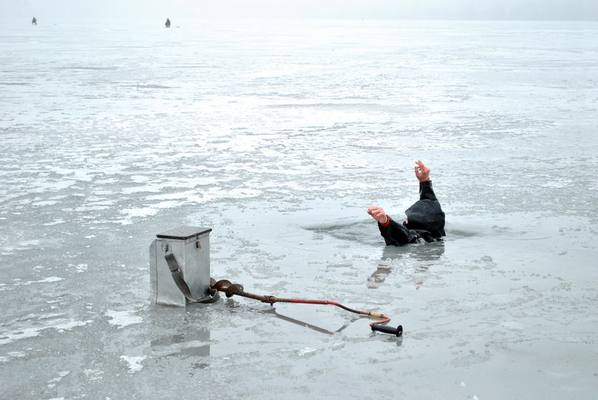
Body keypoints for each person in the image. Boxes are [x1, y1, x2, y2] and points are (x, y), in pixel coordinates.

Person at [368, 160, 445, 246]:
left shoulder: (416, 239)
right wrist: (425, 182)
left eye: (407, 220)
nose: (405, 222)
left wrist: (385, 222)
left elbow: (403, 236)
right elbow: (430, 201)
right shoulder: (436, 230)